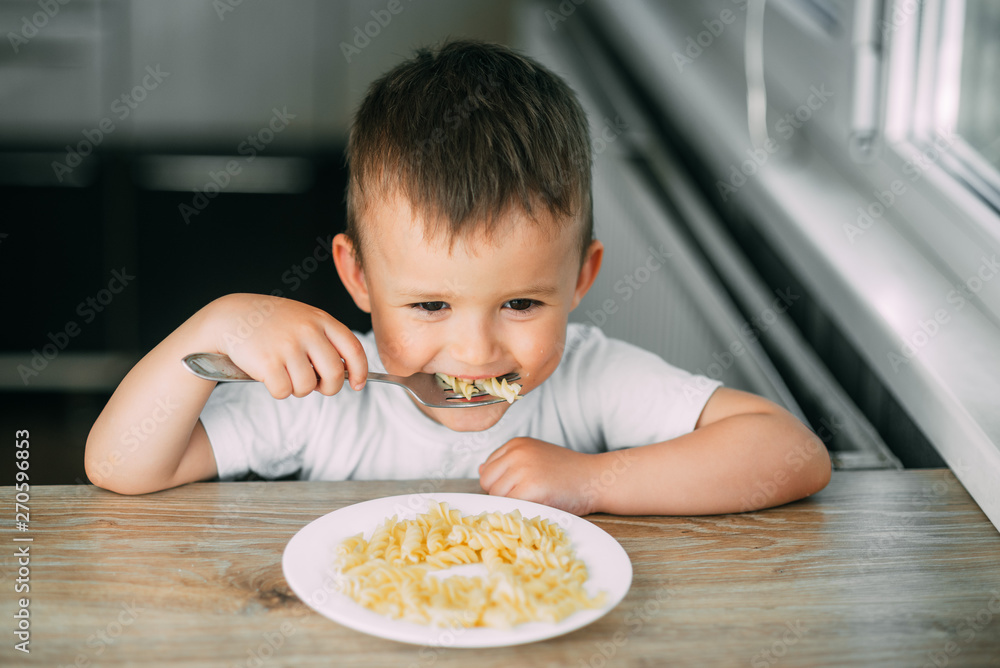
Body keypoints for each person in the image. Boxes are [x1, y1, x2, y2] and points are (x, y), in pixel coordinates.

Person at [85, 40, 830, 515]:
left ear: (582, 278)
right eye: (431, 303)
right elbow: (120, 467)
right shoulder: (327, 390)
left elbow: (791, 454)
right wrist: (213, 326)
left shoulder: (589, 379)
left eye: (520, 302)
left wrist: (595, 481)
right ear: (359, 279)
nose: (475, 354)